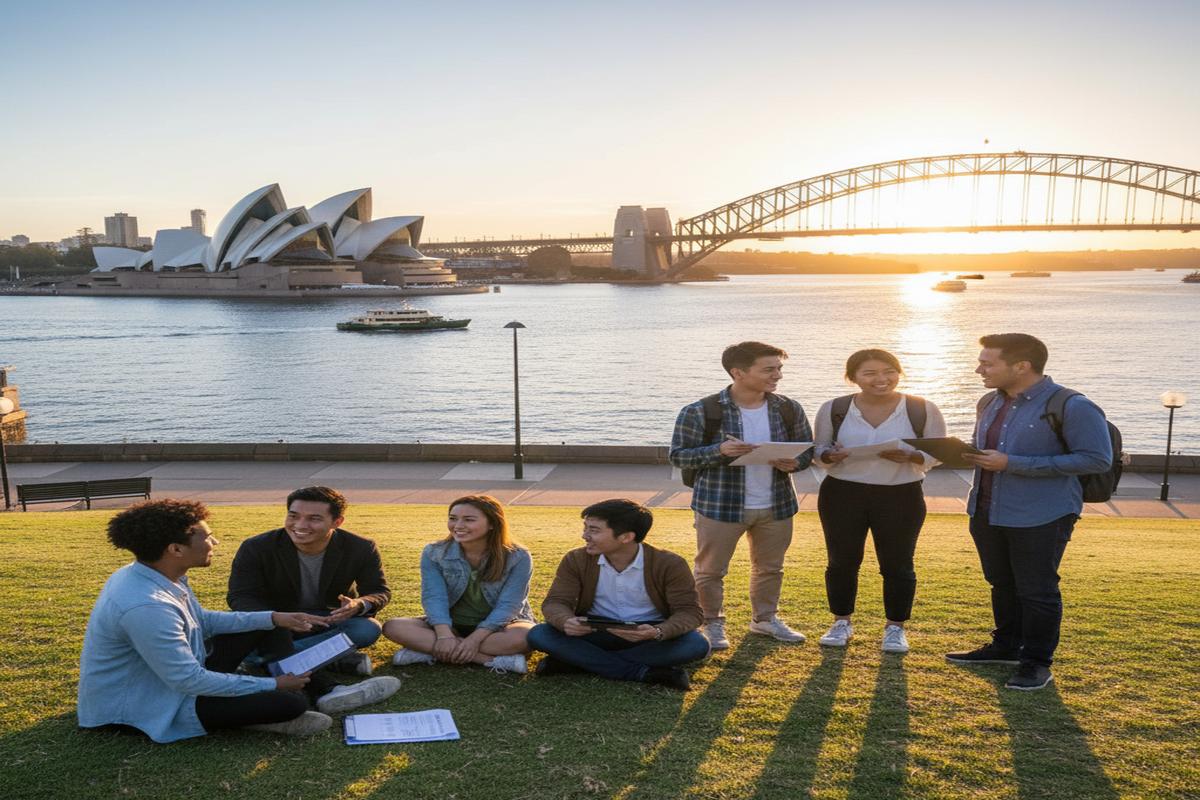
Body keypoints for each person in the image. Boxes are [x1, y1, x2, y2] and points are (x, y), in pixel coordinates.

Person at [78, 499, 334, 742]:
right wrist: (274, 684)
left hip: (174, 677)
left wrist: (275, 617)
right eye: (207, 537)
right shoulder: (147, 607)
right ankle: (274, 700)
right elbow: (188, 680)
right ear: (176, 549)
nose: (216, 541)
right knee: (291, 704)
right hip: (145, 704)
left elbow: (202, 621)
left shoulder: (156, 573)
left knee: (268, 621)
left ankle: (306, 686)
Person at [949, 333, 1111, 691]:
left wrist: (1013, 464)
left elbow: (1097, 458)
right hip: (986, 510)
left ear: (1021, 366)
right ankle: (1006, 646)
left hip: (1043, 514)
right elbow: (988, 451)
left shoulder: (1074, 405)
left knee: (1037, 590)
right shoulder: (989, 401)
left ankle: (1036, 663)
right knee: (1001, 582)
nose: (979, 369)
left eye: (987, 363)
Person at [669, 341, 814, 650]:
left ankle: (765, 620)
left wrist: (794, 462)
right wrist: (719, 450)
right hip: (719, 505)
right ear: (738, 372)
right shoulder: (701, 411)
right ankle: (712, 623)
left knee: (770, 568)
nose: (777, 376)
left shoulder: (788, 408)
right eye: (769, 369)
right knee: (710, 571)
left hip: (776, 504)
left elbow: (806, 451)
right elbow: (679, 456)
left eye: (779, 369)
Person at [811, 348, 946, 653]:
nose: (881, 379)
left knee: (898, 564)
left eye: (889, 371)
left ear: (899, 373)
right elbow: (819, 450)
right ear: (853, 377)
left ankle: (895, 628)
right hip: (843, 493)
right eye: (869, 373)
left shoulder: (921, 408)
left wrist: (913, 456)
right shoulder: (835, 408)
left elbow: (937, 452)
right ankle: (841, 622)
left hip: (901, 494)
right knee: (842, 561)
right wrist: (829, 456)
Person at [226, 486, 400, 712]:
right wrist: (277, 619)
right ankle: (330, 679)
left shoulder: (360, 547)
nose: (300, 525)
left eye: (314, 519)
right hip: (278, 624)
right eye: (293, 516)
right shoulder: (257, 547)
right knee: (242, 640)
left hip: (329, 620)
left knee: (367, 629)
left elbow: (379, 591)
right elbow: (240, 596)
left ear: (337, 521)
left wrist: (359, 605)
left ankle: (267, 663)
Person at [526, 499, 710, 690]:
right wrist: (565, 621)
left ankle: (577, 662)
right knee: (540, 634)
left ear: (626, 537)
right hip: (594, 630)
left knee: (696, 644)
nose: (584, 536)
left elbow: (690, 612)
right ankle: (642, 672)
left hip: (647, 634)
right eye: (586, 528)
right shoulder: (576, 559)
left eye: (594, 530)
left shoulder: (670, 563)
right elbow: (555, 602)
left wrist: (658, 632)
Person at [383, 495, 535, 674]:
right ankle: (488, 660)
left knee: (527, 636)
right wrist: (444, 634)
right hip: (451, 625)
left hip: (499, 628)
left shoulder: (518, 556)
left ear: (492, 523)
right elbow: (434, 597)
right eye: (453, 519)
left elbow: (510, 605)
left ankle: (431, 653)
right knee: (393, 627)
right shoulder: (434, 552)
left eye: (469, 520)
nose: (458, 526)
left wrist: (474, 640)